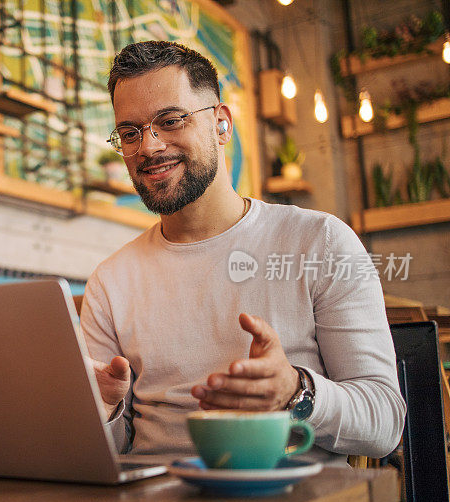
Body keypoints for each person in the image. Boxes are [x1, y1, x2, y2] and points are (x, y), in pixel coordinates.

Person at [81, 41, 405, 464]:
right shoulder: (111, 280)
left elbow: (384, 423)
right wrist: (105, 412)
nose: (149, 147)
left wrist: (295, 391)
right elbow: (103, 452)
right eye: (129, 132)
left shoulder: (320, 241)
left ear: (221, 124)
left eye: (171, 120)